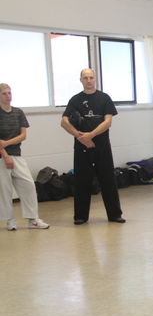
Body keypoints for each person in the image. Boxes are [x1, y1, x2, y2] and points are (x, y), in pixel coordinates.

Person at [61, 68, 124, 225]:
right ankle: (80, 216)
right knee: (82, 181)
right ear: (81, 80)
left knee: (108, 180)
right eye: (85, 78)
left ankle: (115, 214)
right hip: (82, 147)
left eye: (91, 77)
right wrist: (80, 136)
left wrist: (91, 135)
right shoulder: (75, 100)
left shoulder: (104, 98)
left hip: (102, 146)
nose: (88, 81)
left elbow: (108, 121)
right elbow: (64, 122)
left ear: (95, 79)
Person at [0, 83, 49, 231]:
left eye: (9, 93)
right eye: (4, 93)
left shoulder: (18, 112)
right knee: (5, 190)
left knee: (28, 185)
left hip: (17, 155)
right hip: (2, 157)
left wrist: (6, 143)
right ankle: (10, 220)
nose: (8, 96)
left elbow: (23, 135)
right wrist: (5, 156)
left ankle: (32, 219)